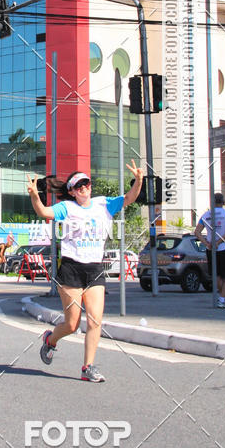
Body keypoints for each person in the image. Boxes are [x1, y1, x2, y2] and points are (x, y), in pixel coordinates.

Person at [27, 162, 143, 383]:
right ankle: (50, 340)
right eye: (78, 185)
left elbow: (129, 198)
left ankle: (87, 367)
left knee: (94, 321)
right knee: (72, 324)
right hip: (71, 268)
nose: (83, 188)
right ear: (71, 191)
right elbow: (43, 211)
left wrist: (138, 181)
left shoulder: (104, 204)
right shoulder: (67, 208)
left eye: (86, 183)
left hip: (94, 269)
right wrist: (35, 195)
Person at [194, 192, 225, 308]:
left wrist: (206, 243)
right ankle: (222, 299)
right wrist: (218, 242)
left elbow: (197, 232)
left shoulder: (206, 215)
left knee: (216, 274)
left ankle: (223, 297)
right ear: (223, 202)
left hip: (210, 249)